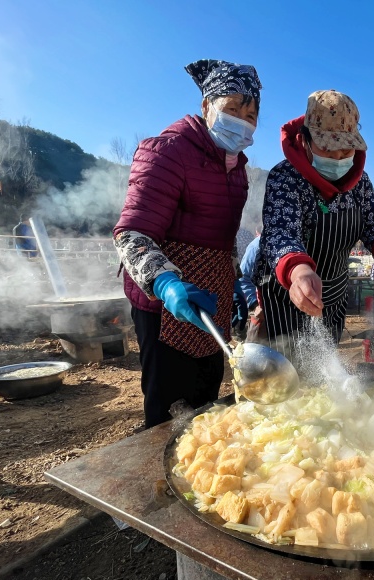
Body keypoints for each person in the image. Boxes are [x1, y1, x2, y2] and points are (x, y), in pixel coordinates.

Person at [113, 59, 263, 428]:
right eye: (231, 109)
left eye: (251, 113)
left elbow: (222, 239)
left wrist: (237, 284)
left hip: (212, 301)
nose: (242, 121)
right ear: (206, 106)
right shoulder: (167, 151)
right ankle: (158, 482)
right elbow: (131, 234)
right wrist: (166, 283)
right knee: (168, 413)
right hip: (167, 302)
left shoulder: (238, 169)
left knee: (206, 403)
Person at [255, 90, 374, 351]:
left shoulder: (360, 183)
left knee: (325, 372)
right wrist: (299, 271)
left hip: (333, 295)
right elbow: (281, 233)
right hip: (288, 295)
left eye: (347, 149)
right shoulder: (286, 177)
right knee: (288, 375)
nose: (339, 158)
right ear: (305, 140)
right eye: (329, 148)